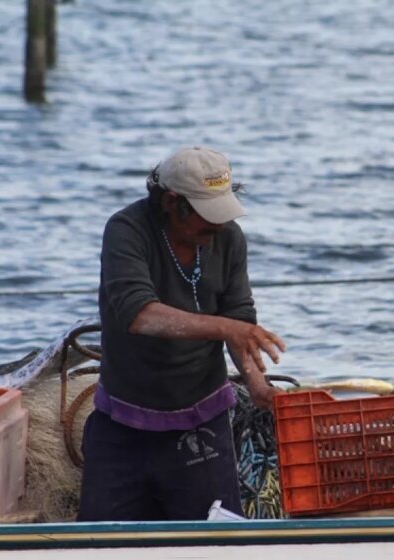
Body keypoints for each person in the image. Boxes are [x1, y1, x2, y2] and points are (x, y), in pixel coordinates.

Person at [78, 146, 285, 521]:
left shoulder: (229, 239)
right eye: (208, 217)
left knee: (216, 544)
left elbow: (239, 316)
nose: (217, 227)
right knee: (100, 544)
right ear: (172, 202)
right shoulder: (127, 230)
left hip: (203, 424)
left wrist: (257, 384)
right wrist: (226, 327)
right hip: (122, 426)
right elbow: (139, 315)